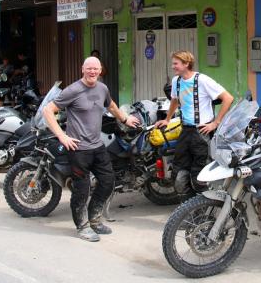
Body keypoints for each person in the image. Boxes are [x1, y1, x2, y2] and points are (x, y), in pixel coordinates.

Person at [43, 57, 140, 242]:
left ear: (100, 70)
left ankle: (94, 218)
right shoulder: (73, 90)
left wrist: (125, 119)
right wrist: (62, 137)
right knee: (82, 188)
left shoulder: (102, 88)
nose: (92, 72)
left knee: (107, 182)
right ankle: (82, 226)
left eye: (96, 69)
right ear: (83, 69)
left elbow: (110, 105)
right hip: (78, 149)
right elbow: (48, 110)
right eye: (89, 69)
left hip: (97, 146)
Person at [155, 50, 234, 198]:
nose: (173, 67)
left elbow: (228, 98)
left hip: (201, 133)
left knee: (200, 176)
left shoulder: (202, 80)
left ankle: (203, 210)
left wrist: (215, 123)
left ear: (186, 64)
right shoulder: (176, 81)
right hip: (185, 131)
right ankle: (187, 209)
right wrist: (167, 119)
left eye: (176, 64)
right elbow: (174, 100)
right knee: (179, 175)